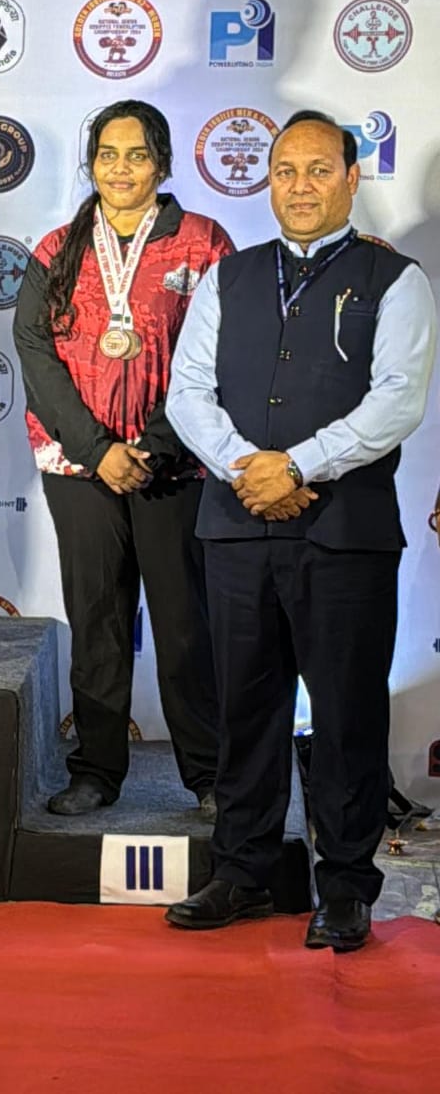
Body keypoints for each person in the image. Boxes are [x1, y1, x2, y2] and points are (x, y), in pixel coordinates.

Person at [163, 111, 436, 952]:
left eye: (319, 170)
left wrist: (300, 466)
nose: (301, 186)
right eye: (285, 171)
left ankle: (347, 887)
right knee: (246, 710)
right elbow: (186, 393)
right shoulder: (229, 278)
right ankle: (241, 873)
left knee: (349, 715)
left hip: (344, 534)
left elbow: (397, 399)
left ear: (353, 179)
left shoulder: (397, 280)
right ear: (266, 181)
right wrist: (251, 467)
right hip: (238, 527)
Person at [13, 100, 232, 816]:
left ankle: (207, 775)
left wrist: (155, 445)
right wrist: (98, 449)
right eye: (107, 154)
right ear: (91, 164)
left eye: (136, 154)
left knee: (183, 623)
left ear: (162, 164)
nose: (121, 168)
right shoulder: (57, 248)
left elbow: (216, 354)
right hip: (81, 469)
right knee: (98, 620)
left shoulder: (202, 244)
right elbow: (36, 351)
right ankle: (96, 772)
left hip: (174, 465)